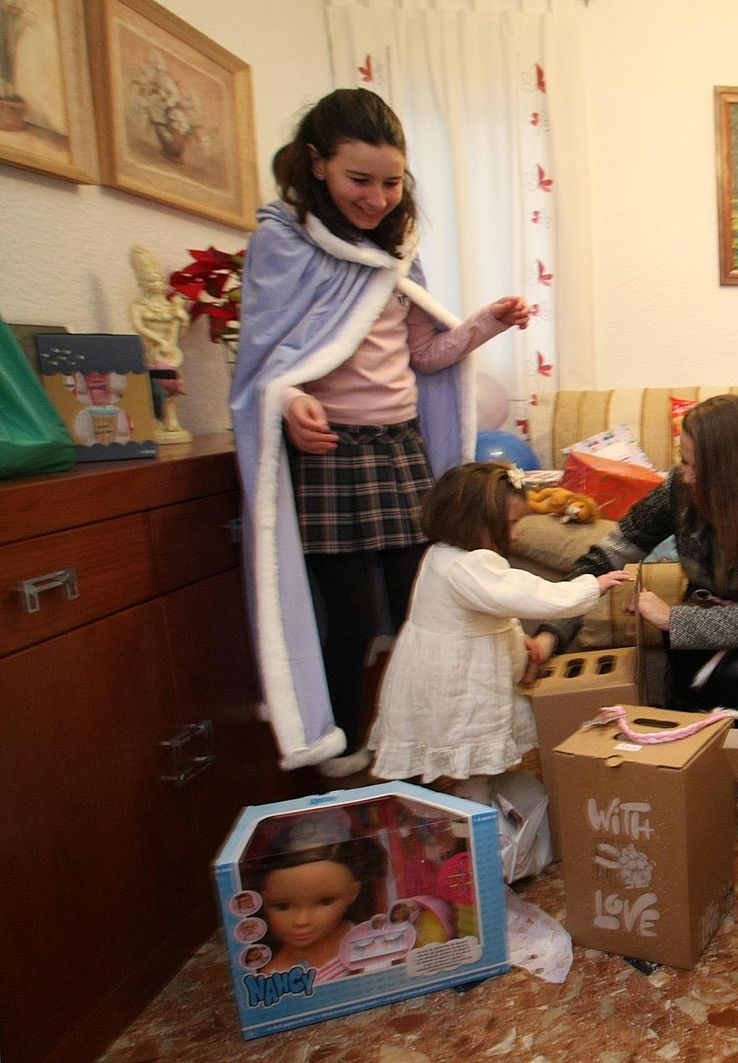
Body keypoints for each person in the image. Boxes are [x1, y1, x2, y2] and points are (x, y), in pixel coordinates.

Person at [230, 88, 533, 777]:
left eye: (391, 182)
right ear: (316, 165)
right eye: (358, 180)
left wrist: (485, 322)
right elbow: (271, 359)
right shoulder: (283, 240)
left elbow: (426, 356)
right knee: (353, 615)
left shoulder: (398, 249)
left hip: (399, 450)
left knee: (420, 602)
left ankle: (432, 733)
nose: (375, 198)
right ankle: (339, 745)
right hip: (334, 456)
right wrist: (290, 401)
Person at [527, 394, 738, 729]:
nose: (687, 476)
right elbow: (606, 557)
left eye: (698, 467)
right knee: (693, 665)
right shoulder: (679, 489)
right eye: (684, 461)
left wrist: (672, 619)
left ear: (734, 471)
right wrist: (552, 633)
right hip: (712, 640)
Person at [368, 462, 632, 803]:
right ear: (474, 523)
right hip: (460, 685)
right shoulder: (470, 565)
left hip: (439, 673)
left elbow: (487, 617)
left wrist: (520, 648)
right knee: (471, 757)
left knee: (456, 753)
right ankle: (477, 825)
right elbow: (527, 595)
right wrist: (590, 587)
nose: (516, 535)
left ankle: (459, 810)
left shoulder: (440, 554)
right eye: (510, 526)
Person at [245, 813, 386, 977]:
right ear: (261, 900)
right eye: (282, 906)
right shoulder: (273, 976)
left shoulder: (364, 936)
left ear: (353, 892)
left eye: (326, 901)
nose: (301, 921)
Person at [128, 244, 190, 440]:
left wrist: (182, 317)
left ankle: (172, 419)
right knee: (155, 387)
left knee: (175, 386)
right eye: (152, 280)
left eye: (160, 280)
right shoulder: (138, 306)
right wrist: (158, 341)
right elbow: (139, 327)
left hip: (171, 351)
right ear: (142, 282)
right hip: (152, 351)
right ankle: (157, 420)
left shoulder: (171, 306)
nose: (157, 284)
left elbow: (182, 329)